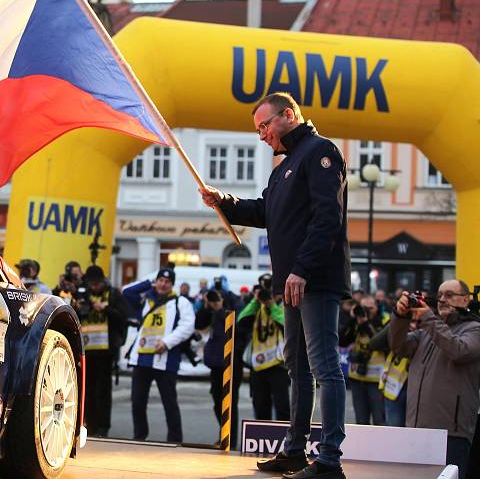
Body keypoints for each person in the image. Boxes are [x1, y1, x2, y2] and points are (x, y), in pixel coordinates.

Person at [200, 92, 350, 479]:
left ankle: (330, 460)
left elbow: (327, 218)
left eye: (265, 125)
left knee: (324, 368)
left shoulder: (320, 152)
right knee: (297, 369)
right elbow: (266, 212)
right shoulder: (284, 165)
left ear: (289, 115)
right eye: (258, 129)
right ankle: (295, 451)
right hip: (293, 282)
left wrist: (301, 269)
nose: (262, 135)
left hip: (312, 280)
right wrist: (224, 201)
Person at [389, 280, 480, 479]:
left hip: (452, 434)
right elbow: (398, 346)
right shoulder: (427, 332)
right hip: (416, 430)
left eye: (449, 294)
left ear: (465, 300)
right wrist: (400, 316)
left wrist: (429, 319)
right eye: (439, 295)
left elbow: (458, 350)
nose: (442, 299)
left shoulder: (474, 329)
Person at [123, 268, 195, 443]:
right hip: (142, 359)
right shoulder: (144, 299)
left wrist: (167, 342)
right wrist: (148, 282)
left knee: (169, 403)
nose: (163, 284)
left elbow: (187, 326)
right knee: (137, 402)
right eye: (160, 280)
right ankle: (140, 436)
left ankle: (175, 439)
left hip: (165, 359)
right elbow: (127, 292)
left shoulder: (180, 302)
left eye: (167, 282)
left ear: (172, 284)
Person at [74, 265, 129, 437]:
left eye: (97, 284)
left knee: (103, 391)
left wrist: (105, 308)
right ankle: (90, 424)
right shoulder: (84, 295)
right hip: (87, 349)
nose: (94, 287)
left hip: (106, 351)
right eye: (92, 284)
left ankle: (103, 426)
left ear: (103, 281)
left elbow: (123, 318)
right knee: (88, 390)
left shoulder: (113, 294)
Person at [238, 286, 290, 421]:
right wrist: (255, 301)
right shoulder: (256, 308)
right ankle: (263, 437)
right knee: (260, 405)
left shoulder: (284, 307)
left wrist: (272, 306)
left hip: (278, 364)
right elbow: (240, 322)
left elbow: (288, 326)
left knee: (282, 406)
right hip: (258, 364)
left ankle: (283, 438)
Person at [338, 295, 388, 425]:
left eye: (369, 308)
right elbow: (342, 341)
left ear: (377, 308)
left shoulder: (384, 320)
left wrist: (366, 324)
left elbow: (380, 343)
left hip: (377, 380)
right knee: (361, 422)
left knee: (379, 421)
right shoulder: (355, 322)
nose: (366, 311)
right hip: (357, 378)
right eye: (363, 308)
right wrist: (352, 319)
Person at [195, 289, 227, 430]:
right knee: (217, 401)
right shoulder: (210, 312)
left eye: (217, 297)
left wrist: (219, 308)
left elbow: (232, 326)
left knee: (227, 403)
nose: (215, 300)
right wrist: (206, 305)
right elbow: (199, 324)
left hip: (228, 364)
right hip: (215, 363)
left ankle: (229, 439)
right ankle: (223, 435)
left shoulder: (228, 309)